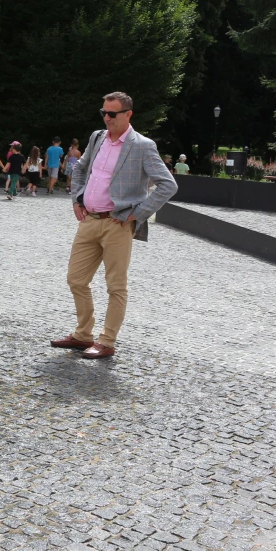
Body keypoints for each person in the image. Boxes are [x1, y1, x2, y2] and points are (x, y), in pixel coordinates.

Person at [51, 92, 178, 359]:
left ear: (128, 114)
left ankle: (107, 341)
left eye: (112, 114)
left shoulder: (142, 146)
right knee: (75, 279)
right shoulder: (97, 138)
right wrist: (77, 199)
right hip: (89, 220)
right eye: (104, 113)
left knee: (115, 286)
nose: (106, 118)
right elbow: (80, 168)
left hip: (118, 224)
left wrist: (137, 213)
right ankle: (83, 335)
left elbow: (168, 185)